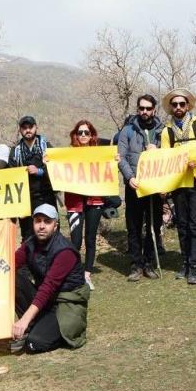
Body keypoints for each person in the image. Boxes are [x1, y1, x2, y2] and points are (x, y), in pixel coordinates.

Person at [13, 204, 90, 354]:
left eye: (47, 221)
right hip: (45, 302)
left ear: (55, 225)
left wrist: (24, 320)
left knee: (34, 344)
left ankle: (49, 330)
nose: (41, 226)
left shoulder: (65, 251)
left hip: (65, 304)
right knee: (9, 278)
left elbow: (47, 288)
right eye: (38, 221)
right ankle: (33, 325)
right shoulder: (30, 244)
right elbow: (9, 264)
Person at [160, 88, 196, 284]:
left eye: (182, 104)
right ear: (171, 108)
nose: (178, 107)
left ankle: (194, 265)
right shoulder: (167, 131)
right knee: (182, 224)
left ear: (188, 106)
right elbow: (165, 159)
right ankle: (185, 261)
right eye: (174, 105)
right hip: (178, 184)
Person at [116, 94, 165, 282]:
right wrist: (130, 177)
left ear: (154, 110)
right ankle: (136, 264)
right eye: (141, 108)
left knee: (154, 224)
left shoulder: (162, 131)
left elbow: (169, 157)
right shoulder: (127, 130)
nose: (144, 111)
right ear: (138, 109)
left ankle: (149, 262)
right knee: (134, 225)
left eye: (148, 108)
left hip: (154, 186)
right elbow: (121, 157)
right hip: (134, 186)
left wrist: (158, 151)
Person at [62, 120, 107, 290]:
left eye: (86, 133)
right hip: (74, 203)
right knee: (75, 240)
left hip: (94, 200)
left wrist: (113, 159)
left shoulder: (99, 153)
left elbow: (108, 168)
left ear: (91, 135)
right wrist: (49, 162)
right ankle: (74, 274)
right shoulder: (68, 153)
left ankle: (87, 274)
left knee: (90, 238)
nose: (83, 136)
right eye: (80, 132)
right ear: (75, 134)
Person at [10, 116, 55, 241]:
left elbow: (56, 170)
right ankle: (29, 260)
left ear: (36, 127)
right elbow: (11, 174)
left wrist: (39, 171)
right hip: (25, 199)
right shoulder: (15, 151)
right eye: (24, 128)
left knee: (49, 231)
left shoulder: (47, 147)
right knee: (28, 233)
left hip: (46, 196)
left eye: (30, 127)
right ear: (20, 130)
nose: (28, 130)